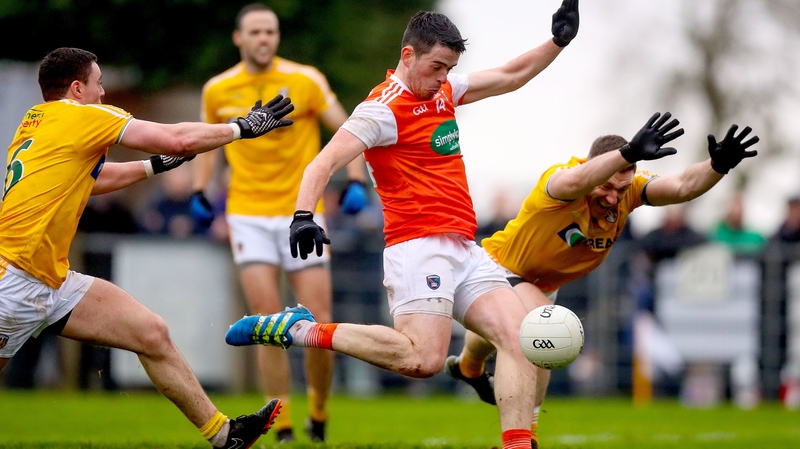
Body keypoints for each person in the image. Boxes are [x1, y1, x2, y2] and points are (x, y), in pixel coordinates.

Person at [226, 3, 581, 449]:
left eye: (449, 68)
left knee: (520, 337)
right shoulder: (380, 110)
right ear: (408, 56)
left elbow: (510, 75)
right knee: (423, 360)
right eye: (436, 67)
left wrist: (558, 42)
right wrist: (303, 215)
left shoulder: (444, 89)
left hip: (464, 247)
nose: (442, 77)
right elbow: (322, 162)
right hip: (417, 248)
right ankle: (298, 329)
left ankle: (516, 444)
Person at [0, 47, 295, 449]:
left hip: (49, 278)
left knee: (151, 332)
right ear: (76, 88)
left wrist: (154, 166)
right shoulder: (84, 115)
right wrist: (242, 127)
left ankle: (226, 436)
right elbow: (177, 137)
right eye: (98, 82)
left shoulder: (37, 121)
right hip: (13, 281)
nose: (102, 92)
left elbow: (92, 179)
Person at [442, 114, 759, 448]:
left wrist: (717, 165)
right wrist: (625, 155)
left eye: (621, 189)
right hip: (501, 265)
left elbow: (680, 186)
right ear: (595, 166)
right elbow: (576, 181)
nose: (612, 198)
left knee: (501, 335)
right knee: (542, 331)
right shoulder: (563, 178)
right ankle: (525, 439)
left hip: (543, 281)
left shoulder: (628, 190)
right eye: (606, 186)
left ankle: (469, 367)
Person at [190, 3, 367, 443]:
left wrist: (355, 179)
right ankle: (282, 422)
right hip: (247, 214)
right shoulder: (218, 89)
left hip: (300, 214)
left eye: (270, 31)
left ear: (277, 36)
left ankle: (320, 412)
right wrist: (199, 191)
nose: (263, 38)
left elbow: (348, 129)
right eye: (255, 32)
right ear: (239, 38)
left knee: (319, 320)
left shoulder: (305, 79)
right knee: (268, 321)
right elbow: (208, 143)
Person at [710, 191, 766, 256]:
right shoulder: (716, 234)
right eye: (733, 207)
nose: (736, 211)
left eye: (739, 206)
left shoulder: (755, 237)